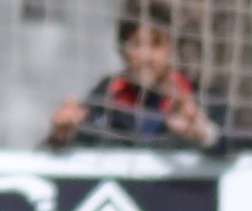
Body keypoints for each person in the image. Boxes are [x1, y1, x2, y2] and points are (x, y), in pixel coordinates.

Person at [46, 10, 234, 152]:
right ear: (123, 50)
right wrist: (61, 136)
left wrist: (205, 134)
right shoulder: (104, 99)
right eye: (136, 45)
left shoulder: (202, 98)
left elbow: (245, 150)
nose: (146, 56)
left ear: (172, 48)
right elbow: (57, 156)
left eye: (156, 44)